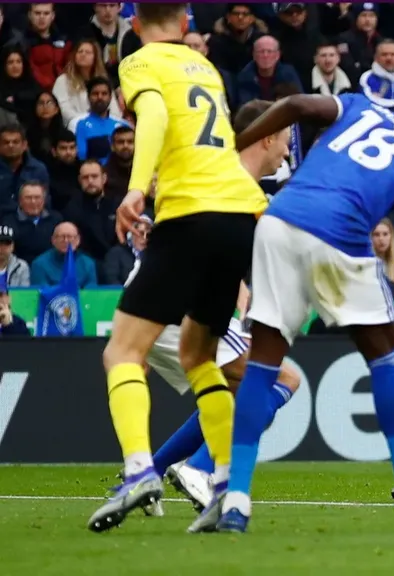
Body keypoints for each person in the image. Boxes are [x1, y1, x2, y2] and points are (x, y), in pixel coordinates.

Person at [212, 75, 394, 533]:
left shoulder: (357, 106)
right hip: (339, 233)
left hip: (278, 221)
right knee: (386, 359)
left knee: (263, 364)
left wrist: (234, 147)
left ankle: (235, 502)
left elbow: (295, 103)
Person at [87, 4, 268, 534]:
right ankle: (226, 487)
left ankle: (139, 471)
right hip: (239, 215)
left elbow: (156, 118)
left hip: (191, 213)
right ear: (186, 23)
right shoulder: (204, 67)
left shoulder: (140, 61)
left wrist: (136, 188)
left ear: (135, 24)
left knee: (122, 351)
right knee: (198, 356)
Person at [137, 100, 303, 515]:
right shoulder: (239, 187)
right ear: (267, 138)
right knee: (279, 379)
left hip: (151, 296)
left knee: (229, 389)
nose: (287, 151)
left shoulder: (216, 173)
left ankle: (147, 476)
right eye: (285, 141)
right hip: (181, 299)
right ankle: (199, 468)